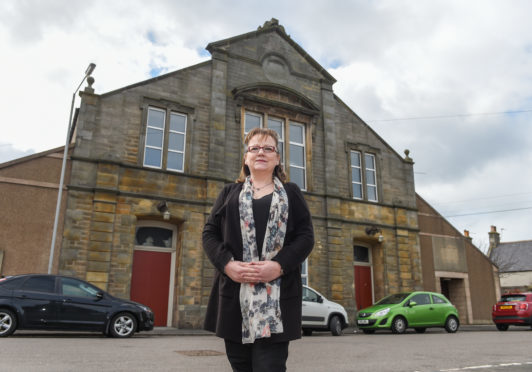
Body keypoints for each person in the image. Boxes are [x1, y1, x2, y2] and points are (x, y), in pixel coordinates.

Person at [203, 127, 314, 372]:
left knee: (270, 367)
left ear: (277, 158)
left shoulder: (291, 193)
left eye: (268, 148)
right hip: (234, 297)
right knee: (240, 366)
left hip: (276, 300)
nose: (260, 152)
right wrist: (227, 265)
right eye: (254, 148)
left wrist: (279, 265)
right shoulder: (228, 194)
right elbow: (209, 234)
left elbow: (306, 237)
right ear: (246, 157)